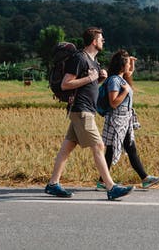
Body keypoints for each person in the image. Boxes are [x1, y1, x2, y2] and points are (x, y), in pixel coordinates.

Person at [45, 27, 134, 200]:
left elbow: (88, 85)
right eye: (101, 38)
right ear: (94, 41)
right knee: (98, 146)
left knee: (67, 148)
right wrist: (90, 78)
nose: (103, 41)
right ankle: (111, 187)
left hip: (85, 110)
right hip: (81, 110)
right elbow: (66, 84)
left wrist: (99, 79)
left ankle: (52, 184)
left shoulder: (92, 61)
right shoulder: (79, 58)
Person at [97, 49, 159, 191]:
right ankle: (104, 181)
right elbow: (113, 102)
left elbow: (130, 72)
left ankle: (144, 178)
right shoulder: (115, 80)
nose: (129, 67)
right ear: (121, 65)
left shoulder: (121, 78)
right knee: (113, 149)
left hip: (124, 119)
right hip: (117, 120)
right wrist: (125, 91)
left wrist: (131, 61)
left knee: (127, 148)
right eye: (126, 63)